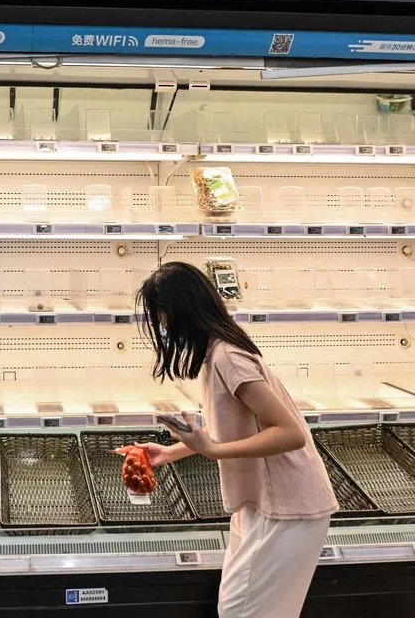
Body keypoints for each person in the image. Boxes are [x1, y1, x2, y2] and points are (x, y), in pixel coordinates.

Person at [117, 262, 337, 618]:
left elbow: (290, 432)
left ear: (180, 311)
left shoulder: (228, 357)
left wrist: (213, 450)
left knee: (243, 612)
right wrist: (171, 452)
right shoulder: (215, 353)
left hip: (287, 507)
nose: (161, 325)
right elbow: (235, 425)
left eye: (161, 316)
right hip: (262, 502)